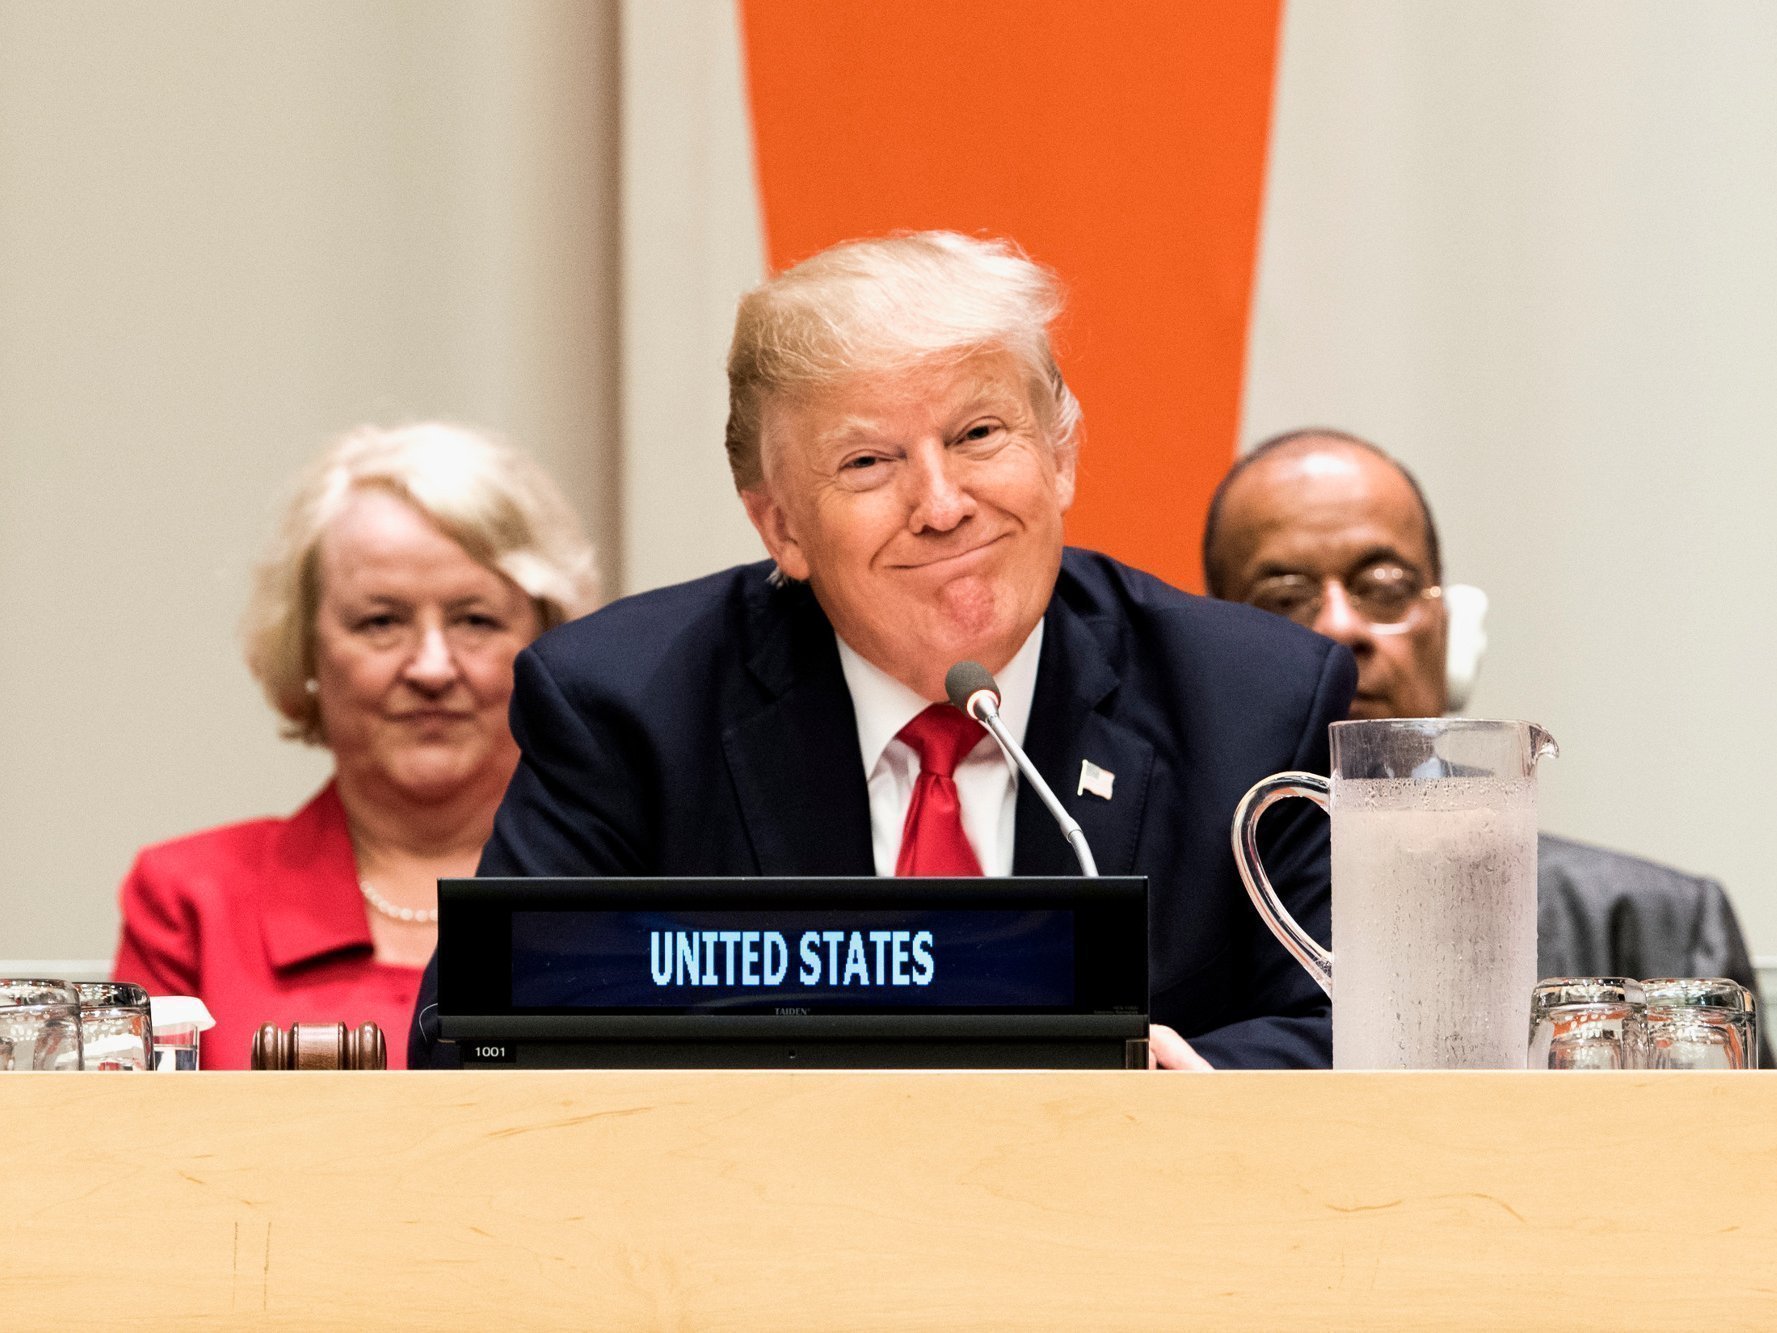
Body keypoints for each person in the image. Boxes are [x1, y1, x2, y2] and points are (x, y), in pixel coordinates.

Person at [410, 232, 1357, 1070]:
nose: (941, 505)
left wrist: (1174, 1093)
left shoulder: (1252, 702)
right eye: (868, 462)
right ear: (780, 525)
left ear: (1059, 455)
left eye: (978, 434)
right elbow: (475, 1041)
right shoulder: (627, 709)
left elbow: (1363, 1027)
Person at [1202, 427, 1769, 1063]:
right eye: (1284, 599)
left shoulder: (1658, 923)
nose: (1340, 628)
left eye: (1384, 587)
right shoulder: (1170, 938)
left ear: (1453, 628)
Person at [113, 423, 599, 1068]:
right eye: (382, 621)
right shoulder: (192, 903)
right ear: (306, 649)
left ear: (549, 645)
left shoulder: (628, 892)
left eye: (475, 620)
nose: (432, 668)